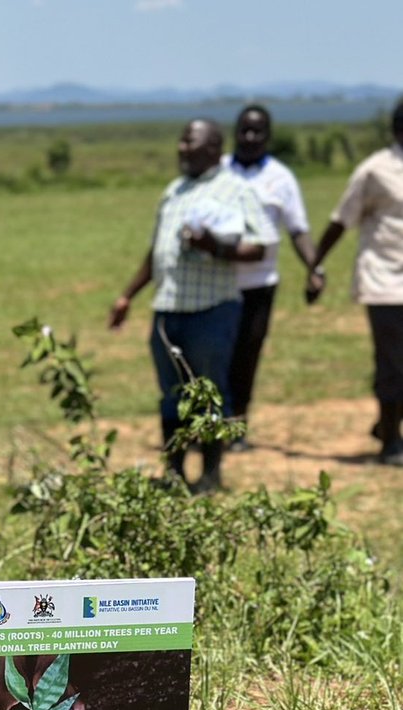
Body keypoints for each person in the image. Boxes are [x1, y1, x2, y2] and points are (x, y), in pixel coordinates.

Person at [109, 119, 275, 492]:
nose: (182, 148)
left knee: (209, 392)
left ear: (214, 148)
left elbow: (261, 244)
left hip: (211, 310)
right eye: (181, 140)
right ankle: (174, 473)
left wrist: (214, 247)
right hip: (168, 308)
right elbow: (157, 251)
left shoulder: (236, 190)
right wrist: (127, 296)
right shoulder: (174, 190)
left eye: (190, 141)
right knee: (172, 394)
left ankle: (212, 474)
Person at [309, 97, 403, 467]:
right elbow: (340, 220)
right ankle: (391, 443)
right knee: (394, 364)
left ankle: (386, 423)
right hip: (384, 281)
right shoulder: (375, 170)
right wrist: (315, 263)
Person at [223, 105, 319, 450]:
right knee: (211, 356)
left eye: (258, 131)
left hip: (260, 285)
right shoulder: (217, 172)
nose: (250, 138)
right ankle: (205, 428)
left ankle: (236, 427)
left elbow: (298, 230)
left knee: (246, 356)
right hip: (217, 284)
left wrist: (314, 267)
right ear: (235, 132)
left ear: (268, 136)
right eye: (244, 131)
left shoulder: (281, 178)